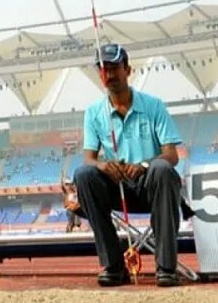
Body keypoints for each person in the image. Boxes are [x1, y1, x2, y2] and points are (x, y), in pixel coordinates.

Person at [73, 43, 184, 288]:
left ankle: (166, 267)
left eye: (114, 68)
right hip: (117, 189)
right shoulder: (93, 113)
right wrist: (104, 167)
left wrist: (144, 165)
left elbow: (171, 155)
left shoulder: (153, 105)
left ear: (128, 69)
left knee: (162, 169)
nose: (109, 75)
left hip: (151, 186)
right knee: (84, 175)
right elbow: (89, 158)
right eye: (104, 70)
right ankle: (113, 265)